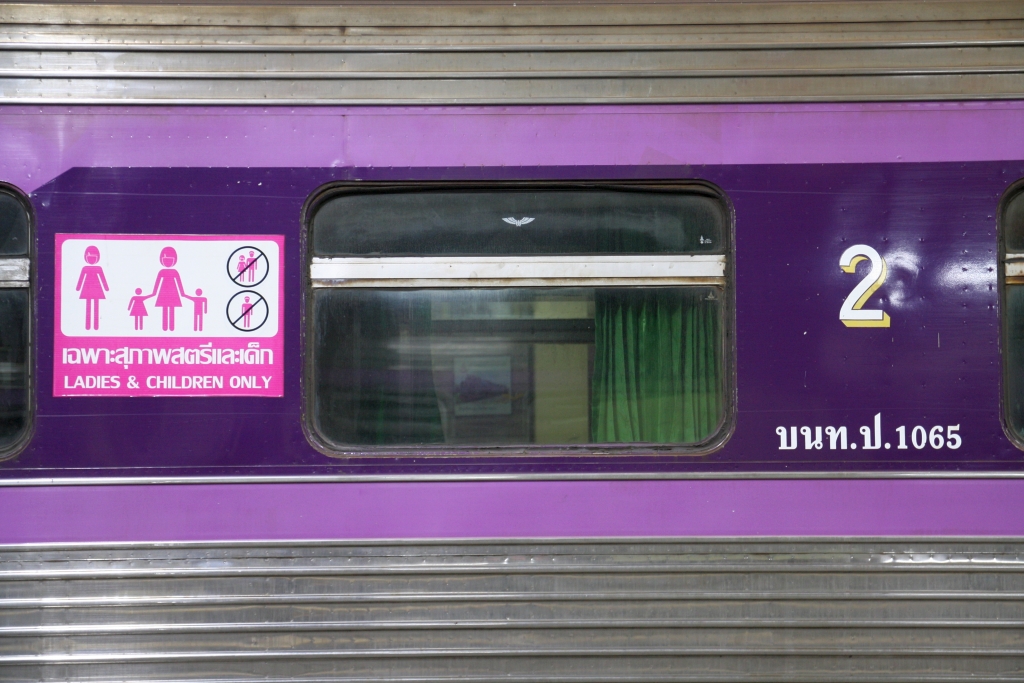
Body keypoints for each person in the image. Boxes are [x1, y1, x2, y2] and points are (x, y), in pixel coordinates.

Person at [147, 246, 186, 331]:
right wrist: (154, 293)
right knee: (164, 308)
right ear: (162, 260)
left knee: (172, 309)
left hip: (173, 293)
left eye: (170, 259)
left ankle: (171, 326)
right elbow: (157, 283)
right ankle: (165, 327)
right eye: (165, 259)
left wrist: (182, 293)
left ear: (174, 260)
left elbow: (179, 283)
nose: (168, 261)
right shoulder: (161, 272)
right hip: (163, 293)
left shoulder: (175, 272)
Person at [76, 245, 109, 331]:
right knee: (88, 306)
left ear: (97, 258)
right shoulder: (85, 268)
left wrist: (106, 288)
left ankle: (96, 325)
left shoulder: (99, 268)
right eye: (89, 257)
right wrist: (78, 287)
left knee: (96, 307)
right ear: (85, 257)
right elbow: (81, 278)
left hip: (97, 289)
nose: (91, 259)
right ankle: (87, 325)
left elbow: (102, 278)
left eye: (94, 257)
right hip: (87, 289)